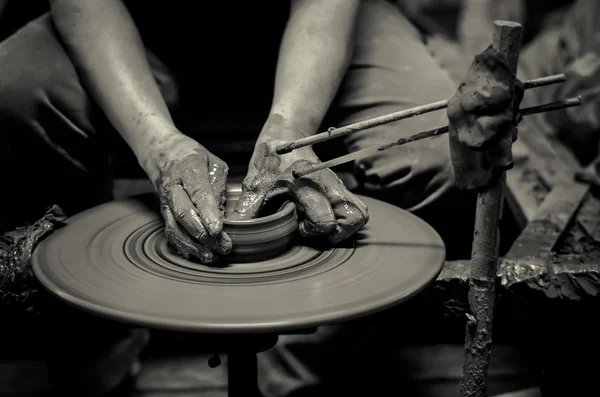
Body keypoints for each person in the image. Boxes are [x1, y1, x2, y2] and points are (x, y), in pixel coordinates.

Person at [0, 0, 513, 396]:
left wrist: (291, 124)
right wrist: (159, 145)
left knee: (435, 154)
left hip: (312, 26)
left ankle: (294, 373)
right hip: (143, 25)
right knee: (15, 87)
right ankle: (101, 349)